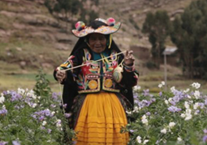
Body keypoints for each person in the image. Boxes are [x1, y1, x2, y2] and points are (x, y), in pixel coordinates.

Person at [53, 17, 139, 145]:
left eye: (101, 38)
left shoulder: (116, 56)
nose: (97, 42)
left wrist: (128, 65)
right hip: (87, 106)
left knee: (117, 138)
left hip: (113, 106)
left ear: (108, 39)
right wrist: (61, 73)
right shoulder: (80, 55)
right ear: (87, 40)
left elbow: (130, 81)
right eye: (93, 39)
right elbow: (64, 68)